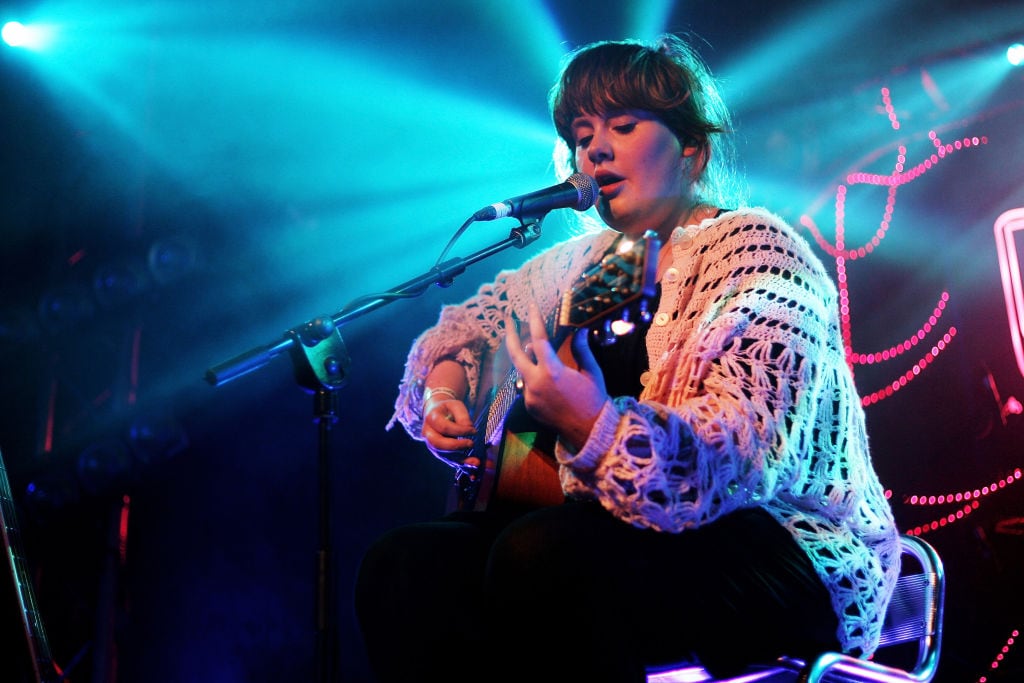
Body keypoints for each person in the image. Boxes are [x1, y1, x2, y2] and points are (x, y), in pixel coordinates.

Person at [354, 34, 900, 683]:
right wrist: (445, 394)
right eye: (582, 133)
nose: (595, 148)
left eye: (622, 123)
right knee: (404, 564)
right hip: (599, 534)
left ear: (690, 149)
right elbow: (462, 333)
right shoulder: (587, 265)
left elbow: (738, 447)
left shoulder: (756, 249)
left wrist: (592, 423)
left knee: (542, 555)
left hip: (772, 545)